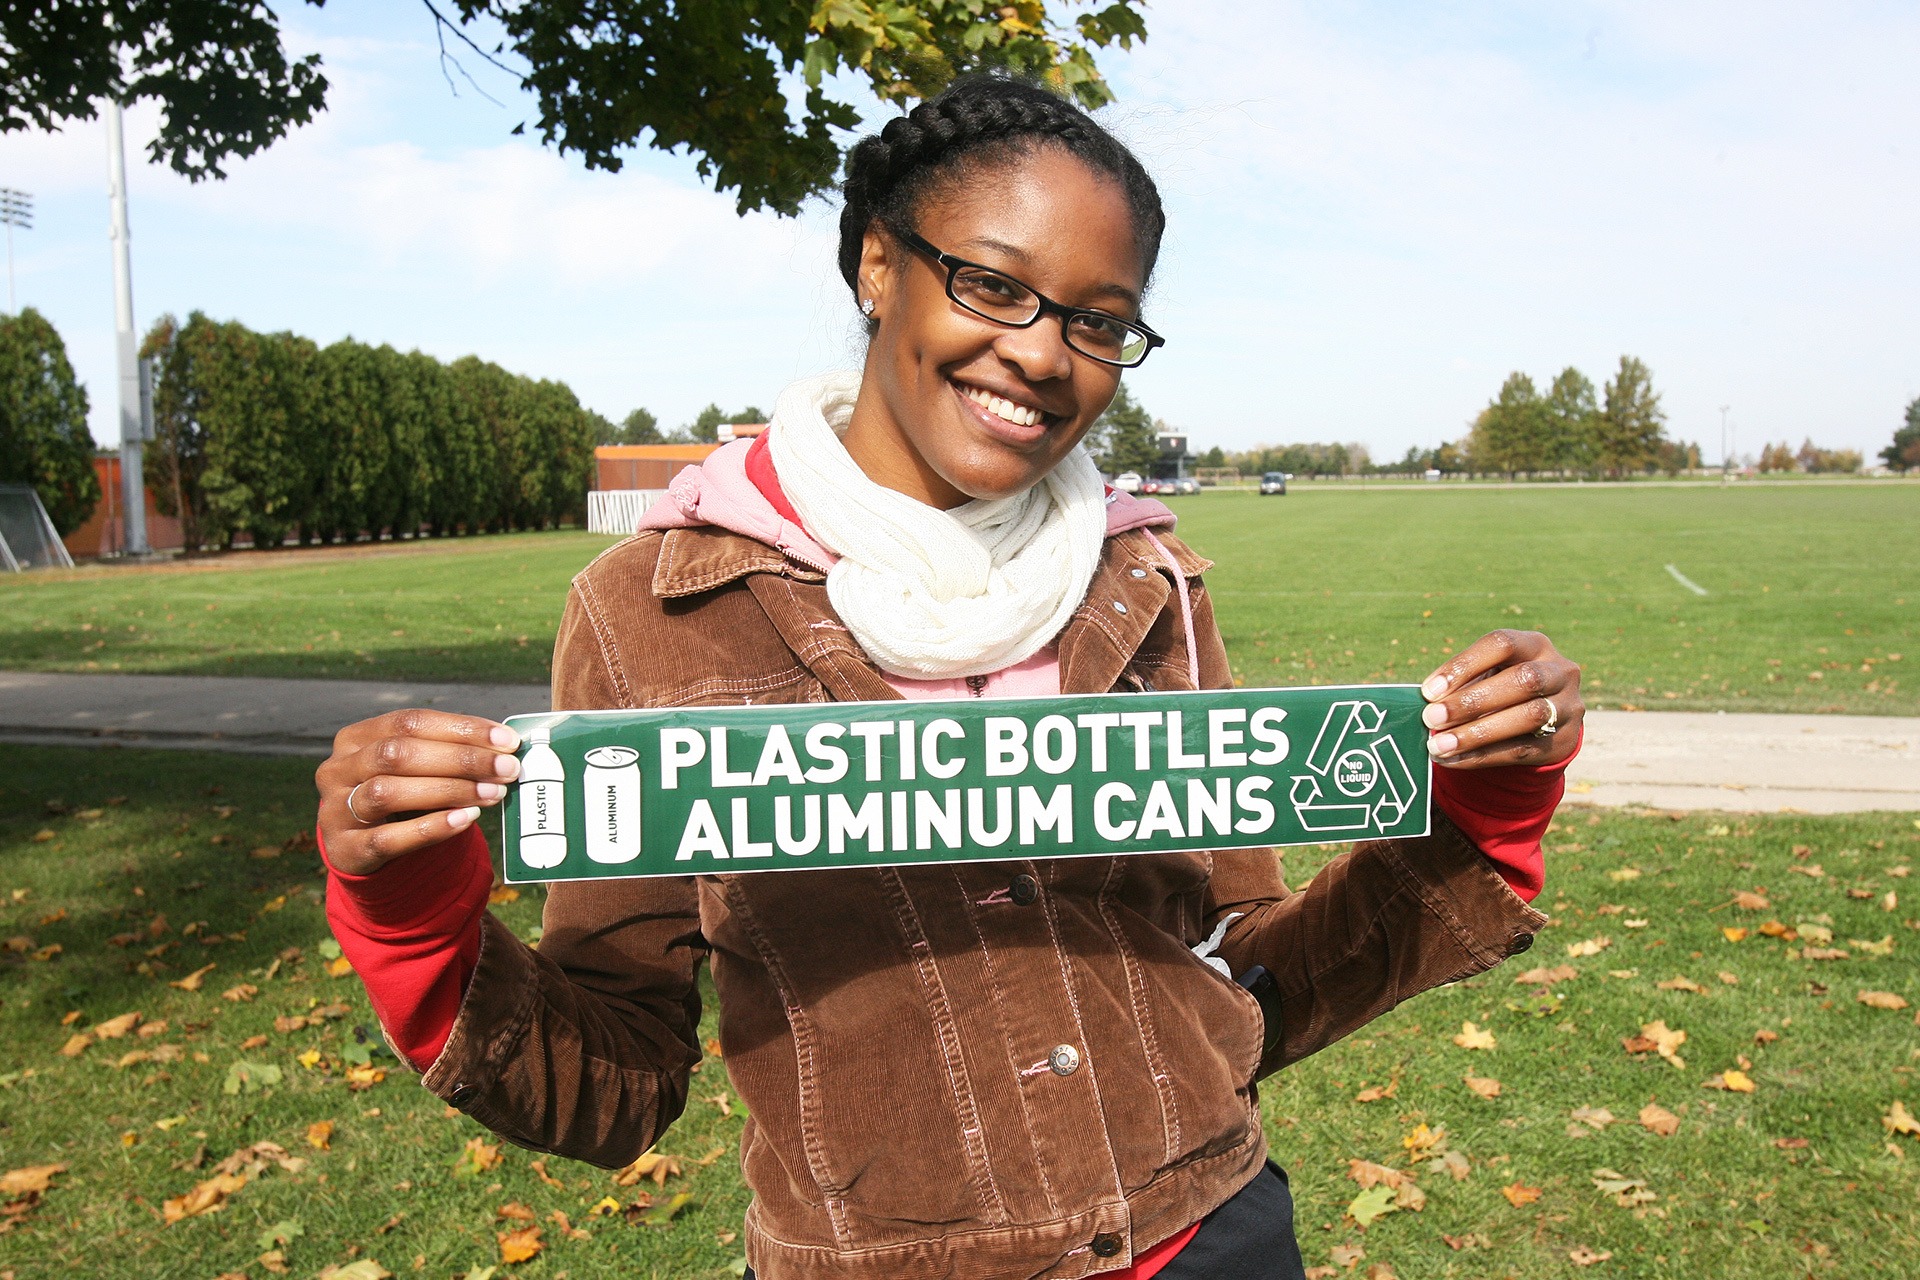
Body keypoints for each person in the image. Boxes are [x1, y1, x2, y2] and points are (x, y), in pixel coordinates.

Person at [315, 76, 1583, 1280]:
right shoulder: (648, 611)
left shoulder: (1150, 582)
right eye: (992, 284)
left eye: (1098, 319)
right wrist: (415, 920)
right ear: (879, 264)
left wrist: (1488, 808)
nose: (1043, 354)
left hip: (1214, 1233)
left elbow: (1245, 970)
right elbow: (625, 1073)